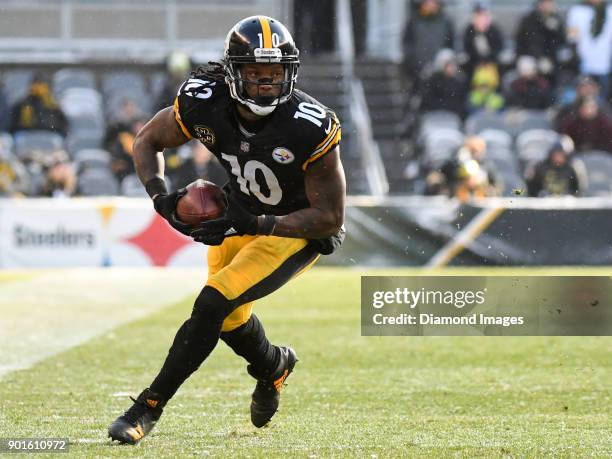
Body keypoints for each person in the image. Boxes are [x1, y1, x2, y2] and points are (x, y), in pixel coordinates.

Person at [107, 16, 346, 445]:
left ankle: (148, 406)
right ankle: (273, 366)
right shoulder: (204, 99)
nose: (267, 85)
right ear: (234, 71)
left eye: (275, 75)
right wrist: (162, 200)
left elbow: (330, 217)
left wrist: (259, 223)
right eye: (255, 74)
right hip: (241, 212)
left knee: (212, 303)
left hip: (291, 231)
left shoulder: (310, 125)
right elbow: (146, 141)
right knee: (230, 317)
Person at [566, 0, 612, 98]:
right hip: (583, 65)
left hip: (606, 64)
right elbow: (572, 38)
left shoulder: (609, 10)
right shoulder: (577, 11)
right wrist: (575, 56)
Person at [402, 0, 455, 78]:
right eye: (427, 2)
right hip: (418, 73)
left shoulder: (446, 22)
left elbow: (451, 46)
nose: (430, 4)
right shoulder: (414, 22)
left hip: (441, 74)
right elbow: (407, 46)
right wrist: (413, 66)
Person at [515, 0, 565, 78]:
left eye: (550, 3)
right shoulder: (529, 20)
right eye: (545, 3)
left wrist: (554, 30)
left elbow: (560, 41)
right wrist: (539, 58)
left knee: (552, 70)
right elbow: (531, 42)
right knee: (528, 69)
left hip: (549, 57)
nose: (548, 6)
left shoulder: (555, 19)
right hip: (529, 55)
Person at [420, 49, 468, 117]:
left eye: (453, 64)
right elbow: (428, 102)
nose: (452, 68)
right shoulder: (434, 82)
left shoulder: (458, 82)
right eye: (449, 65)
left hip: (453, 119)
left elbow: (461, 103)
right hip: (436, 118)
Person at [462, 1, 504, 77]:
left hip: (492, 62)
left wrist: (488, 60)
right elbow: (467, 48)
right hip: (474, 62)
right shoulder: (469, 30)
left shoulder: (494, 30)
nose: (481, 19)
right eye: (478, 16)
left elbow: (498, 47)